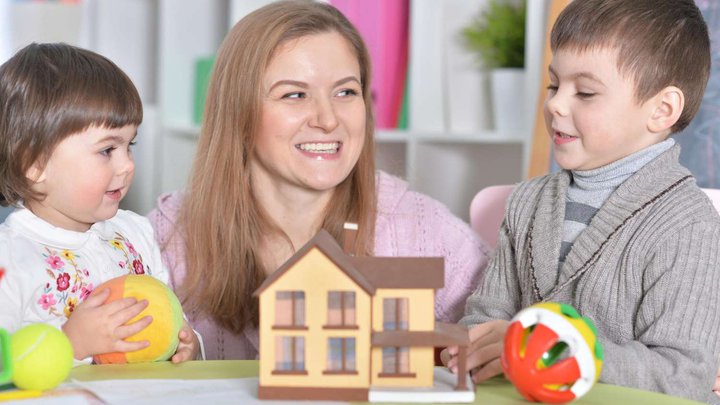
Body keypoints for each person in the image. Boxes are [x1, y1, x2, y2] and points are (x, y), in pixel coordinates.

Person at [148, 0, 489, 361]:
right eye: (295, 94)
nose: (328, 119)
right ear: (238, 112)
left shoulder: (421, 228)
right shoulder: (166, 239)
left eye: (345, 92)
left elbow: (515, 325)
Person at [443, 0, 720, 402]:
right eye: (554, 85)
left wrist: (565, 352)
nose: (555, 103)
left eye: (585, 92)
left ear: (662, 110)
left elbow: (684, 373)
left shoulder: (688, 224)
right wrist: (477, 346)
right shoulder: (526, 202)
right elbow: (485, 319)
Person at [0, 43, 200, 364]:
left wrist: (187, 343)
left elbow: (172, 313)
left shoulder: (135, 232)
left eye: (129, 145)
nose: (127, 165)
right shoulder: (10, 259)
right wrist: (71, 343)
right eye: (107, 150)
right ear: (34, 164)